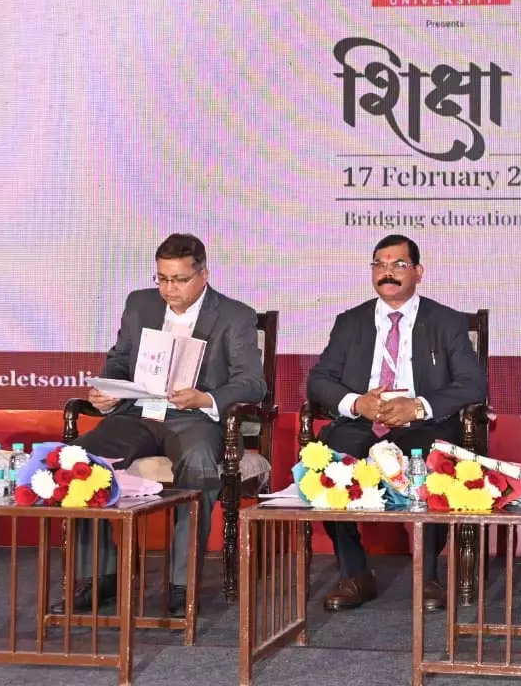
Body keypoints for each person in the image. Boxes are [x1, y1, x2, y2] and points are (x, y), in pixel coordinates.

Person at [56, 233, 266, 616]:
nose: (169, 289)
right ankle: (99, 576)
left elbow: (252, 382)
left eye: (180, 280)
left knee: (199, 461)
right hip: (137, 414)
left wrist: (205, 398)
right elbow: (119, 360)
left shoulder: (235, 316)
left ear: (203, 274)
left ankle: (182, 584)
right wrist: (108, 389)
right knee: (80, 459)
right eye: (162, 279)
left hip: (194, 419)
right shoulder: (140, 304)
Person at [306, 234, 487, 611]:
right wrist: (357, 403)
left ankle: (428, 575)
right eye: (380, 265)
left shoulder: (446, 321)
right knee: (331, 458)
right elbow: (320, 379)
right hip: (363, 423)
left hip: (422, 424)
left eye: (398, 265)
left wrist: (418, 406)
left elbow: (473, 383)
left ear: (418, 272)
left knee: (430, 461)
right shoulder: (350, 321)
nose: (387, 273)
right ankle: (355, 573)